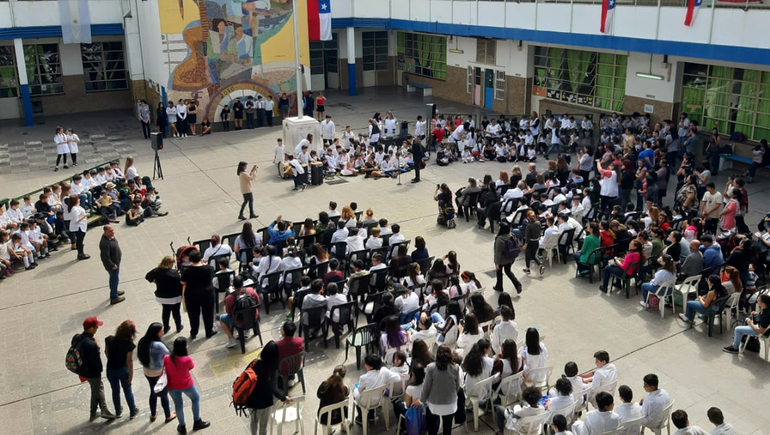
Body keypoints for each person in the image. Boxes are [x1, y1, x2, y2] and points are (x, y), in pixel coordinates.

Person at [73, 317, 116, 421]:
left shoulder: (77, 337)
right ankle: (96, 412)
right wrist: (96, 347)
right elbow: (95, 361)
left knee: (98, 387)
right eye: (96, 327)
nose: (97, 328)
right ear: (91, 329)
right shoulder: (91, 344)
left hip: (81, 369)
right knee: (96, 389)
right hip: (92, 372)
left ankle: (102, 410)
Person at [243, 341, 291, 435]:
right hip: (264, 402)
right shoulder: (272, 370)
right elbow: (274, 389)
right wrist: (284, 398)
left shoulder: (254, 363)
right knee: (263, 425)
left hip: (250, 399)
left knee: (253, 421)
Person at [164, 337, 210, 434]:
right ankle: (197, 421)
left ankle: (182, 426)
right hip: (186, 385)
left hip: (172, 386)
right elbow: (191, 367)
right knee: (195, 398)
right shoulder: (186, 359)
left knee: (178, 405)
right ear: (184, 347)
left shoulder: (167, 358)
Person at [137, 322, 176, 423]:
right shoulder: (158, 345)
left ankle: (153, 414)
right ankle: (168, 415)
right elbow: (169, 354)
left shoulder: (143, 341)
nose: (163, 333)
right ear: (156, 333)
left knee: (153, 392)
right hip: (158, 372)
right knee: (163, 394)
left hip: (147, 371)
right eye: (161, 331)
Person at [421, 345, 460, 435]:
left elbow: (426, 387)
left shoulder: (430, 368)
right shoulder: (456, 367)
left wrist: (422, 400)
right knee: (447, 428)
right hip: (450, 404)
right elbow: (457, 386)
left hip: (434, 404)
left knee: (432, 427)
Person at [354, 354, 402, 424]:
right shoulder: (384, 371)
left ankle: (361, 418)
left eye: (366, 364)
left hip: (365, 402)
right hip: (379, 400)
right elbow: (398, 378)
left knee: (355, 391)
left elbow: (359, 390)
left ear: (371, 367)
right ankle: (371, 416)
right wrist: (387, 381)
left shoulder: (363, 378)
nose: (365, 366)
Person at [104, 320, 139, 419]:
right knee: (127, 390)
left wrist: (112, 360)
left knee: (115, 390)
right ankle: (132, 410)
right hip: (123, 369)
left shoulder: (109, 340)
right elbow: (129, 361)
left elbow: (106, 352)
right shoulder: (129, 345)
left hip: (111, 369)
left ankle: (118, 410)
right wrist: (131, 374)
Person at [180, 249, 217, 339]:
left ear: (191, 260)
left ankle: (194, 332)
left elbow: (182, 282)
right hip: (207, 294)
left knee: (193, 315)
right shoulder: (209, 268)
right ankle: (209, 331)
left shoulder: (187, 270)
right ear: (200, 258)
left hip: (192, 295)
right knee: (208, 313)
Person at [220, 276, 260, 348]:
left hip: (239, 321)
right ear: (242, 283)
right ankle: (246, 331)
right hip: (254, 317)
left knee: (221, 318)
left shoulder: (229, 298)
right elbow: (258, 302)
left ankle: (231, 339)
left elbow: (229, 312)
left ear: (233, 284)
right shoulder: (251, 290)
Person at [99, 225, 124, 304]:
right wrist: (112, 265)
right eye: (110, 231)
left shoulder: (111, 237)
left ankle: (114, 291)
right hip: (112, 265)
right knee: (114, 280)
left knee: (113, 279)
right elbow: (105, 256)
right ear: (105, 232)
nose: (113, 232)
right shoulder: (104, 243)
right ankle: (114, 297)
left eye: (113, 230)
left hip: (116, 262)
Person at [276, 322, 304, 388]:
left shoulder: (278, 345)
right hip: (296, 365)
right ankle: (291, 378)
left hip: (284, 369)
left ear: (284, 331)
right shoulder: (300, 341)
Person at [522, 210, 544, 275]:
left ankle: (528, 268)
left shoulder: (529, 226)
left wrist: (525, 245)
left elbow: (527, 237)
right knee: (533, 256)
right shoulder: (538, 223)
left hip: (530, 243)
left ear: (528, 217)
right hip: (536, 241)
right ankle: (540, 266)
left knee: (527, 256)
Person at [68, 195, 90, 260]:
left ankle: (81, 253)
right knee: (80, 241)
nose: (79, 199)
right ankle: (80, 254)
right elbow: (76, 220)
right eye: (78, 199)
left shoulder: (77, 207)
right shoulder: (74, 209)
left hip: (82, 225)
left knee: (80, 240)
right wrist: (85, 215)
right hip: (79, 227)